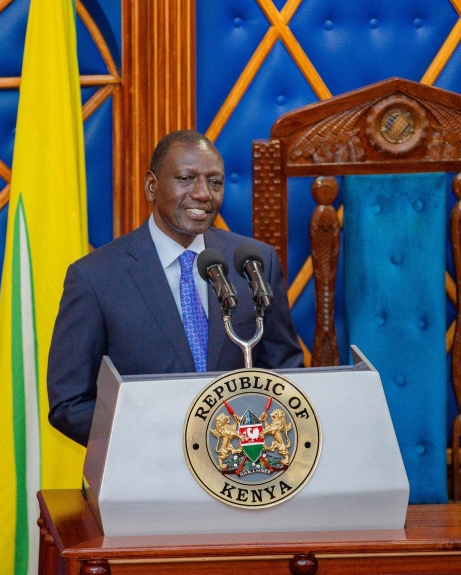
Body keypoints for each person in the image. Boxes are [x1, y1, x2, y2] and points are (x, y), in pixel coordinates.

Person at [47, 130, 304, 446]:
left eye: (215, 182)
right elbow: (69, 402)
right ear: (152, 186)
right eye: (186, 179)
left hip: (240, 467)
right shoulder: (95, 278)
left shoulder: (252, 262)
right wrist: (163, 439)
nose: (203, 193)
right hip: (147, 473)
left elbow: (286, 374)